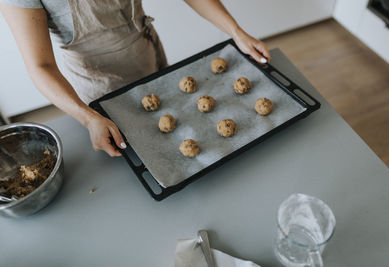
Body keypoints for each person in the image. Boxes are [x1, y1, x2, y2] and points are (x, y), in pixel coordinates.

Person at [0, 0, 271, 157]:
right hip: (98, 84)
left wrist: (236, 31)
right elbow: (40, 65)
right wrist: (88, 118)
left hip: (149, 56)